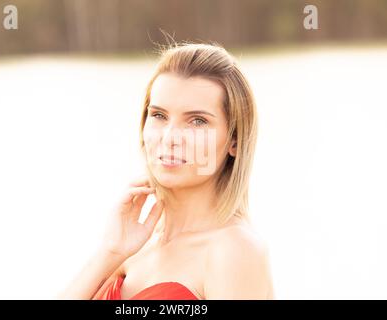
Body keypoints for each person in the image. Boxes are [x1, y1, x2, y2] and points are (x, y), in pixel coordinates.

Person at [58, 41, 274, 300]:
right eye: (159, 115)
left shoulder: (234, 251)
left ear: (235, 141)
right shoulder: (134, 246)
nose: (170, 137)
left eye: (197, 121)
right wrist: (110, 252)